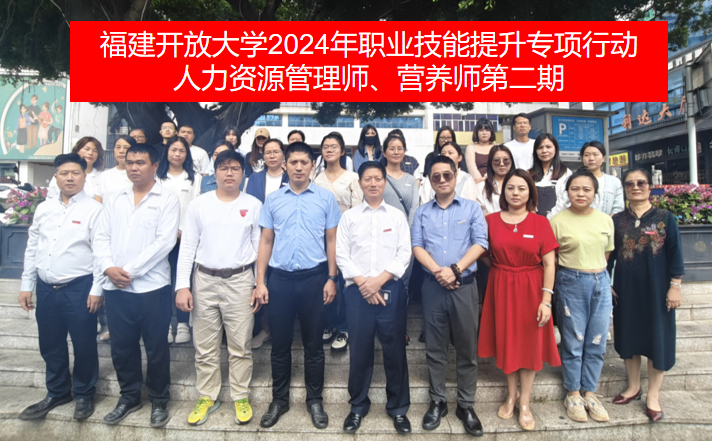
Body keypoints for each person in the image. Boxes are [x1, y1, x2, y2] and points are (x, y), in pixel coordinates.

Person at [254, 142, 341, 430]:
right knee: (280, 345)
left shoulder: (326, 199)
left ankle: (314, 400)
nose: (299, 167)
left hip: (314, 280)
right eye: (293, 162)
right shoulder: (273, 200)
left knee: (314, 345)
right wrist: (260, 282)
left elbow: (332, 240)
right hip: (279, 280)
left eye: (304, 162)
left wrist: (331, 278)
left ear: (312, 165)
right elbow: (266, 241)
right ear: (285, 165)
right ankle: (279, 400)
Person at [93, 143, 180, 428]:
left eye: (140, 162)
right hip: (116, 288)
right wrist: (108, 267)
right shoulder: (115, 198)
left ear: (154, 165)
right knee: (122, 347)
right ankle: (129, 397)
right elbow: (101, 237)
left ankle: (159, 399)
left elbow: (165, 242)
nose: (133, 167)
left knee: (156, 347)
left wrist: (128, 271)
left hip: (152, 288)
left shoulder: (167, 199)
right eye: (130, 162)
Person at [175, 150, 263, 426]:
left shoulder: (254, 204)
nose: (229, 173)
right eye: (223, 168)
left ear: (243, 173)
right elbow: (187, 246)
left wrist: (258, 283)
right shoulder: (199, 205)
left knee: (240, 344)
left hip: (240, 280)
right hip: (204, 280)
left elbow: (260, 248)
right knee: (204, 345)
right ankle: (207, 396)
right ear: (214, 173)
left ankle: (240, 395)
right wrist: (182, 285)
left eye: (235, 168)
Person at [18, 153, 104, 422]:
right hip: (46, 288)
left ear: (84, 176)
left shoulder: (95, 210)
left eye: (75, 173)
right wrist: (26, 283)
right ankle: (57, 392)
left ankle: (84, 393)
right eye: (64, 173)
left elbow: (101, 253)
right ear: (55, 176)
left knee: (83, 343)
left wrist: (97, 289)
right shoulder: (44, 209)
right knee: (50, 343)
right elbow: (33, 246)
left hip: (79, 287)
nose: (69, 178)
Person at [477, 169, 561, 431]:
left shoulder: (541, 223)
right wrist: (502, 270)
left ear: (530, 192)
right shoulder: (490, 221)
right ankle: (511, 395)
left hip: (532, 288)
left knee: (529, 344)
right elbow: (482, 253)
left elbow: (550, 264)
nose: (515, 193)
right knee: (508, 342)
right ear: (503, 191)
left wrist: (546, 300)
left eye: (522, 188)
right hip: (501, 286)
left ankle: (525, 402)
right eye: (510, 187)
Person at [412, 156, 488, 437]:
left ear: (456, 176)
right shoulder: (422, 212)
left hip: (464, 287)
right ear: (429, 180)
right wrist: (439, 272)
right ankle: (438, 401)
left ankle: (466, 405)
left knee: (467, 349)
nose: (442, 180)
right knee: (435, 348)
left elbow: (481, 243)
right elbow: (417, 246)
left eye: (447, 175)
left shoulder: (471, 208)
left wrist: (455, 270)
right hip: (433, 287)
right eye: (436, 176)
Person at [336, 161, 412, 435]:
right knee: (359, 351)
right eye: (367, 179)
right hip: (358, 293)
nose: (373, 183)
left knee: (395, 351)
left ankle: (398, 409)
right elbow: (342, 254)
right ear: (360, 183)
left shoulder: (397, 216)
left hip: (390, 290)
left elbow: (404, 253)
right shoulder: (350, 217)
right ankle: (358, 405)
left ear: (384, 182)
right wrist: (363, 284)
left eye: (378, 178)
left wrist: (377, 282)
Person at [609, 168, 684, 422]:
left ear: (650, 187)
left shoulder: (665, 218)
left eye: (641, 183)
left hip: (657, 290)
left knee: (657, 340)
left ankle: (653, 395)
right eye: (630, 184)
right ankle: (633, 387)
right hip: (626, 289)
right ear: (625, 189)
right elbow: (609, 255)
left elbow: (675, 254)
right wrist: (606, 283)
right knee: (629, 338)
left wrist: (675, 286)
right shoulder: (617, 220)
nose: (635, 187)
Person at [549, 168, 615, 424]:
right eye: (575, 188)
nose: (580, 193)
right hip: (571, 282)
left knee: (597, 340)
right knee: (574, 340)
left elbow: (606, 254)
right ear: (567, 192)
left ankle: (590, 392)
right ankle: (573, 393)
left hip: (601, 282)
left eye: (587, 189)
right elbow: (552, 259)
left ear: (594, 193)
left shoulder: (605, 220)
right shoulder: (557, 221)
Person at [313, 132, 363, 353]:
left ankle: (344, 328)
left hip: (347, 239)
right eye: (325, 146)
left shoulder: (352, 177)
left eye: (334, 146)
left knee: (344, 285)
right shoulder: (316, 179)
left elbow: (357, 209)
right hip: (321, 240)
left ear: (342, 151)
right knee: (325, 283)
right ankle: (330, 323)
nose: (329, 149)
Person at [156, 136, 202, 344]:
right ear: (167, 151)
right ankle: (165, 324)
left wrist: (184, 230)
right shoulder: (157, 177)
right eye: (173, 150)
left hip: (186, 238)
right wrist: (170, 231)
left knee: (183, 279)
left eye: (182, 151)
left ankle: (183, 323)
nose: (177, 154)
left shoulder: (194, 178)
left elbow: (196, 207)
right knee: (163, 281)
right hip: (160, 239)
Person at [245, 138, 289, 349]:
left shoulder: (292, 176)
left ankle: (280, 328)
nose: (272, 155)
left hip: (285, 239)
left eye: (276, 151)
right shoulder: (254, 178)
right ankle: (265, 329)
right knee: (260, 281)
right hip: (259, 237)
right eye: (267, 152)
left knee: (279, 287)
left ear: (283, 155)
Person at [548, 141, 624, 219]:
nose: (591, 158)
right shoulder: (572, 180)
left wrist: (605, 222)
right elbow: (561, 205)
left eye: (595, 154)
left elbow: (618, 208)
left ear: (603, 158)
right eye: (587, 155)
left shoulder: (614, 181)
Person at [528, 133, 572, 218]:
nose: (544, 151)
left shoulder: (565, 173)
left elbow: (564, 201)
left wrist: (548, 219)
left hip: (556, 220)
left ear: (555, 149)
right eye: (540, 147)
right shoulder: (529, 174)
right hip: (532, 219)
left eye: (548, 147)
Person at [382, 134, 419, 227]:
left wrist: (409, 230)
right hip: (381, 229)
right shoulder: (378, 177)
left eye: (400, 149)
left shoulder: (411, 180)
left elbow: (414, 208)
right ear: (384, 153)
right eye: (392, 149)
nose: (396, 152)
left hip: (404, 230)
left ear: (404, 152)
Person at [475, 145, 515, 215]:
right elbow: (477, 214)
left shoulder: (522, 184)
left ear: (511, 162)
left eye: (506, 160)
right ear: (490, 163)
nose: (502, 164)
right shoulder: (481, 187)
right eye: (496, 160)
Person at [97, 136, 134, 202]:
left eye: (126, 148)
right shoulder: (105, 175)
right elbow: (98, 201)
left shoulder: (140, 174)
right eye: (118, 147)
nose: (121, 151)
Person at [465, 118, 497, 184]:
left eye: (487, 130)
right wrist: (480, 181)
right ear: (476, 132)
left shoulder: (497, 147)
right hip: (476, 183)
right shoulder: (471, 147)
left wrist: (486, 178)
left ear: (491, 132)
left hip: (495, 182)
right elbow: (471, 167)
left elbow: (498, 166)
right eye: (481, 130)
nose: (484, 133)